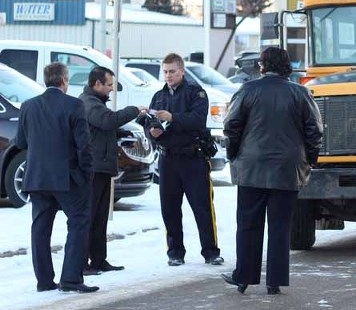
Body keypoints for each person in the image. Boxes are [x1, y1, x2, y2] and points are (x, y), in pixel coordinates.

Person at [221, 47, 322, 295]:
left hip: (251, 166)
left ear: (262, 66)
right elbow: (314, 131)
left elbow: (231, 125)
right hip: (287, 168)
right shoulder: (300, 93)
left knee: (248, 224)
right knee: (280, 226)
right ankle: (274, 280)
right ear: (287, 66)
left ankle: (244, 277)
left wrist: (234, 154)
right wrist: (310, 159)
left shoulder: (247, 90)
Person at [15, 62, 98, 293]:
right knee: (79, 222)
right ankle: (71, 278)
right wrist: (87, 173)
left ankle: (44, 280)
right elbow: (84, 144)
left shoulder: (28, 106)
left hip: (37, 178)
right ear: (64, 80)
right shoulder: (74, 105)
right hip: (67, 178)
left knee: (40, 229)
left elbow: (21, 142)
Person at [143, 53, 223, 267]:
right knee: (169, 209)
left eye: (172, 71)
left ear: (182, 71)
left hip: (193, 158)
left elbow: (197, 120)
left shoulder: (196, 93)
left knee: (202, 207)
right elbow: (149, 122)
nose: (168, 76)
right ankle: (175, 252)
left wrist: (173, 118)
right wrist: (153, 132)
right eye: (165, 72)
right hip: (168, 160)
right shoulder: (159, 96)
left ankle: (210, 251)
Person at [79, 66, 147, 275]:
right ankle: (81, 263)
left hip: (102, 168)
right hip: (93, 170)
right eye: (109, 85)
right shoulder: (88, 103)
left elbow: (106, 128)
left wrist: (129, 128)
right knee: (89, 218)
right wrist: (134, 110)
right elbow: (107, 120)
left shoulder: (96, 103)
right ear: (97, 84)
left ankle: (99, 260)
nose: (111, 89)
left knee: (100, 218)